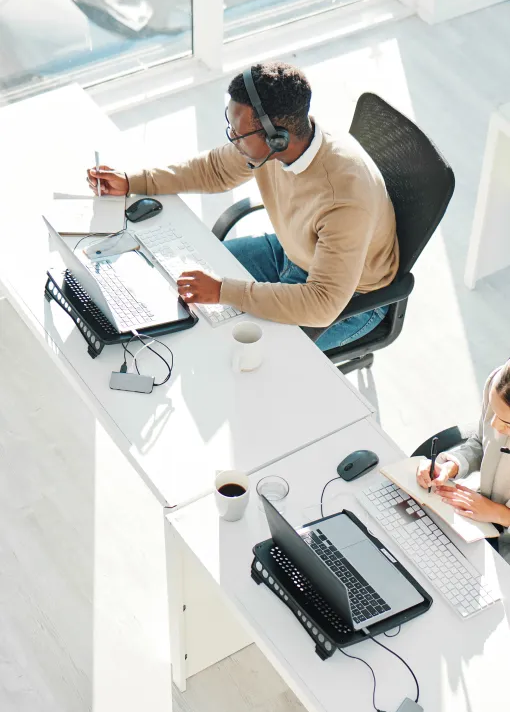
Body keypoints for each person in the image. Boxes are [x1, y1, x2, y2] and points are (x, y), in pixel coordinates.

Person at [87, 61, 399, 350]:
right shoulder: (274, 146)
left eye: (239, 134)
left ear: (278, 138)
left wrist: (224, 291)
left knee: (237, 349)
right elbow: (214, 169)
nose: (232, 140)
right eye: (231, 126)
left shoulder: (343, 198)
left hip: (351, 298)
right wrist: (134, 181)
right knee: (178, 287)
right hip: (291, 251)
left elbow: (322, 302)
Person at [416, 363, 510, 559]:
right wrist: (452, 466)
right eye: (493, 411)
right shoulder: (499, 382)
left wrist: (500, 514)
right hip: (478, 512)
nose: (494, 425)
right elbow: (481, 442)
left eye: (507, 423)